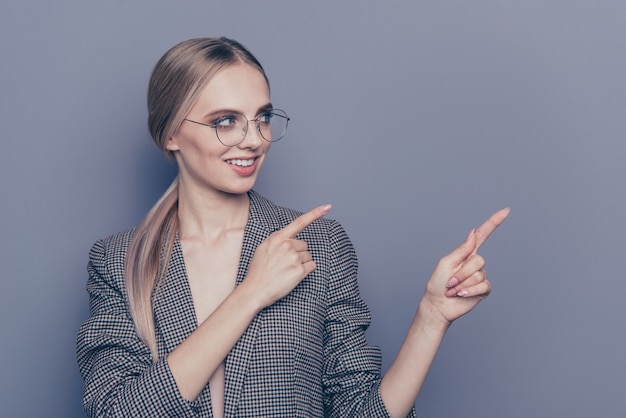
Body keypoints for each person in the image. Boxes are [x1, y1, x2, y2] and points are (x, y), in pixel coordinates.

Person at [76, 37, 509, 417]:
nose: (254, 139)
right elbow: (117, 410)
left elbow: (359, 413)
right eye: (225, 120)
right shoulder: (118, 260)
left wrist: (430, 317)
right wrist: (251, 292)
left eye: (262, 117)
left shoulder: (320, 244)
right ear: (171, 133)